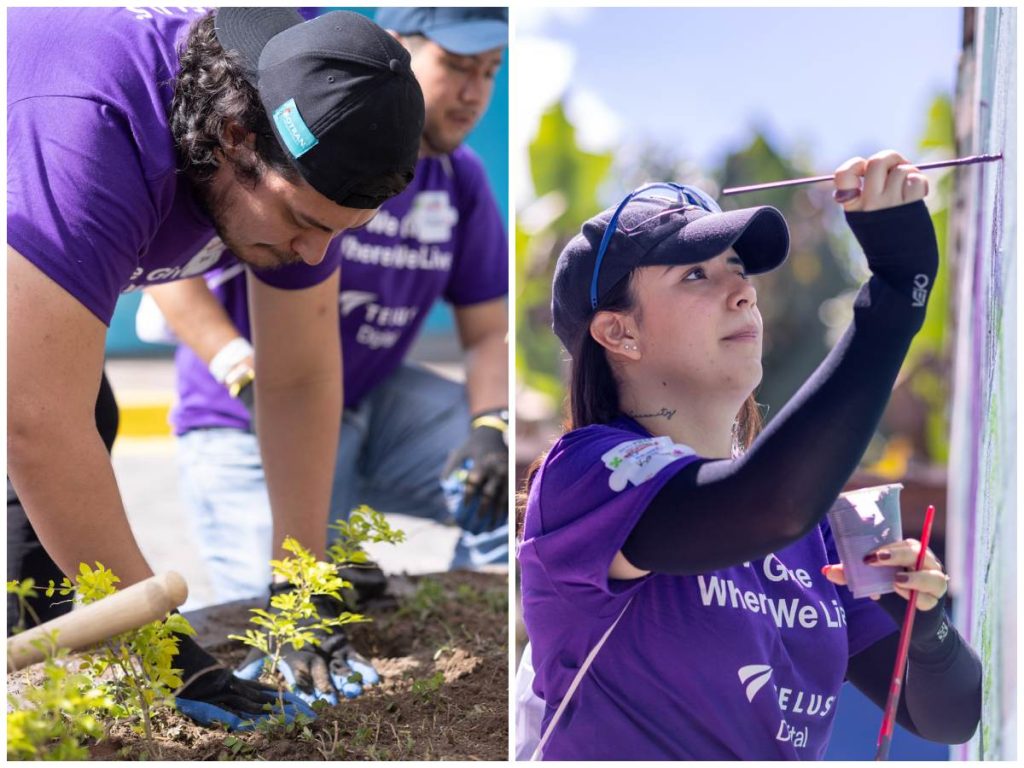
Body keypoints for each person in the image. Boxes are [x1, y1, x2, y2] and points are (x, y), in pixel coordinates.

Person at [8, 7, 423, 729]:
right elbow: (35, 422)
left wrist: (298, 588)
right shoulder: (93, 138)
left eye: (341, 232)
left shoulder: (310, 93)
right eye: (305, 222)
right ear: (234, 136)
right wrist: (170, 655)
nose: (315, 255)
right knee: (66, 419)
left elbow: (296, 379)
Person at [517, 151, 982, 760]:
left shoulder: (811, 530)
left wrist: (926, 623)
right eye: (696, 275)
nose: (742, 292)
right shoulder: (584, 474)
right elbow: (768, 504)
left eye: (737, 269)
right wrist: (895, 295)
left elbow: (948, 717)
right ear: (618, 333)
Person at [139, 7, 509, 700]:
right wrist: (242, 371)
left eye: (490, 72)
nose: (473, 93)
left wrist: (493, 424)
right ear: (396, 50)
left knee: (510, 476)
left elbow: (489, 330)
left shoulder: (459, 180)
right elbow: (168, 272)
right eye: (457, 66)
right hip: (245, 413)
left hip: (369, 400)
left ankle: (487, 636)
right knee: (267, 619)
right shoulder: (292, 145)